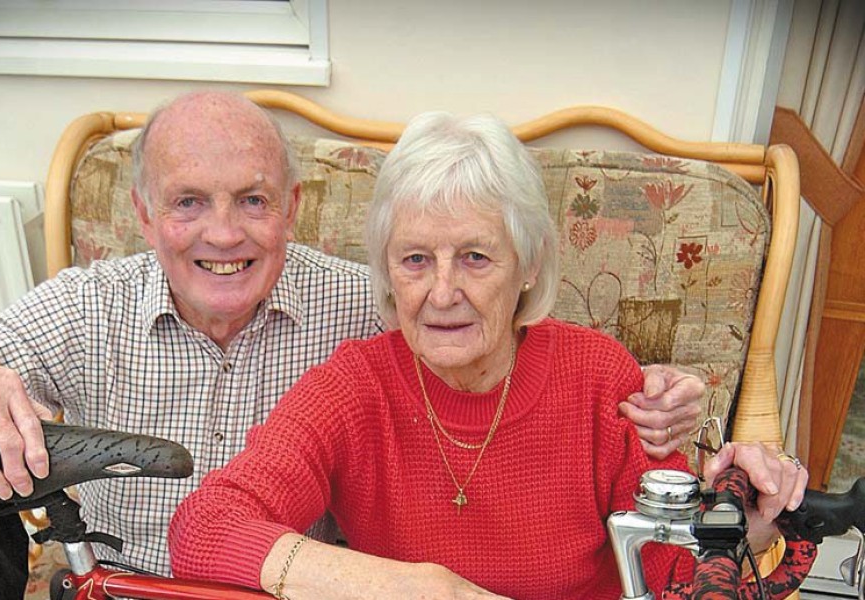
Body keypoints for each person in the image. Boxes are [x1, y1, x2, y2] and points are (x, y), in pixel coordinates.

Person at [0, 92, 701, 579]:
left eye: (252, 201)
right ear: (143, 215)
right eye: (188, 203)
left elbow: (685, 552)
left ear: (292, 206)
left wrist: (666, 410)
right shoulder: (89, 308)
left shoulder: (382, 313)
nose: (224, 234)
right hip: (126, 577)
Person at [168, 111, 808, 599]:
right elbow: (204, 529)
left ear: (527, 264)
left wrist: (749, 526)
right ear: (389, 273)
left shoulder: (597, 379)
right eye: (415, 259)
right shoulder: (352, 388)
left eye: (475, 257)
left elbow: (677, 577)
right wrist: (419, 588)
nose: (443, 293)